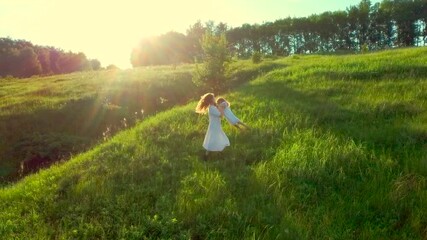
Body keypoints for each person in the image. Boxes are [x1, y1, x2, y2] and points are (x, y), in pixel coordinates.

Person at [195, 93, 230, 160]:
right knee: (214, 139)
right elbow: (221, 115)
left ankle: (214, 153)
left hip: (215, 125)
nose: (215, 98)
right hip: (214, 126)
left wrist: (221, 107)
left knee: (215, 138)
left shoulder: (213, 107)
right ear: (211, 99)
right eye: (213, 97)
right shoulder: (211, 108)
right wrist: (222, 108)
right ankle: (209, 155)